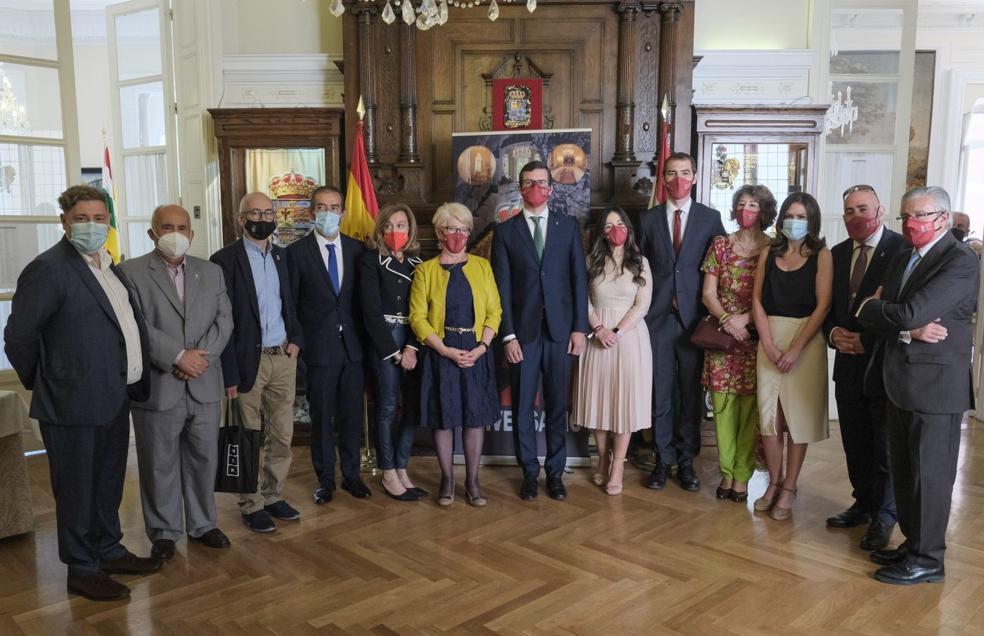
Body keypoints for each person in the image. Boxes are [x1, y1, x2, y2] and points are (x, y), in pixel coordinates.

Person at [3, 185, 159, 601]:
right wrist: (50, 380)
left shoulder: (109, 265)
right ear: (64, 222)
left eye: (99, 218)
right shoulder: (50, 268)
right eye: (82, 219)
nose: (92, 226)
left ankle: (108, 550)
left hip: (113, 397)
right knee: (76, 488)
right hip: (71, 404)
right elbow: (17, 337)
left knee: (108, 482)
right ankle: (82, 568)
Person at [857, 186, 978, 585]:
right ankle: (914, 544)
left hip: (936, 388)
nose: (911, 224)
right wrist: (904, 327)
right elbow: (899, 317)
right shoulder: (905, 255)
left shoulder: (959, 261)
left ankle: (929, 559)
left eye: (920, 217)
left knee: (930, 477)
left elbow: (907, 310)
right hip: (902, 380)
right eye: (906, 217)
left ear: (942, 219)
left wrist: (877, 309)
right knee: (907, 473)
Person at [119, 204, 233, 559]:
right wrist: (177, 356)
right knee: (158, 462)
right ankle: (164, 532)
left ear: (191, 233)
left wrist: (201, 359)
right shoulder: (130, 272)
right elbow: (135, 326)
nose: (175, 233)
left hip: (204, 383)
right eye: (167, 226)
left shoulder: (211, 271)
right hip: (159, 384)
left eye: (182, 227)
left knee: (204, 458)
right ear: (152, 233)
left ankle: (203, 524)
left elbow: (224, 321)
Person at [491, 160, 589, 501]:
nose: (537, 187)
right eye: (530, 182)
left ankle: (556, 473)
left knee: (557, 406)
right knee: (522, 407)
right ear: (521, 188)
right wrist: (508, 336)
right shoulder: (505, 232)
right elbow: (500, 289)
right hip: (523, 335)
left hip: (561, 332)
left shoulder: (568, 226)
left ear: (551, 188)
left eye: (542, 182)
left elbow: (579, 279)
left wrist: (580, 328)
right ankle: (529, 473)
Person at [212, 192, 303, 533]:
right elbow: (221, 320)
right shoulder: (224, 260)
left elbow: (292, 303)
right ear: (241, 218)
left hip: (282, 356)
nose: (262, 218)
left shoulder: (283, 256)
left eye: (268, 212)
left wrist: (296, 340)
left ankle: (274, 495)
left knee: (282, 434)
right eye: (255, 213)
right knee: (247, 436)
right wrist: (229, 372)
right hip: (246, 361)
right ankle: (251, 504)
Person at [822, 185, 906, 550]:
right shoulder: (837, 254)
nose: (857, 217)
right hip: (847, 365)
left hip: (883, 363)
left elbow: (903, 309)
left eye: (863, 209)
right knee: (854, 440)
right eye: (850, 212)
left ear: (881, 210)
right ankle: (863, 502)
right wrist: (833, 333)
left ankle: (885, 516)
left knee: (883, 442)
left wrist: (866, 340)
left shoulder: (902, 251)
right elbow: (825, 307)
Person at [637, 151, 726, 492]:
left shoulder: (710, 218)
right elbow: (639, 270)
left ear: (696, 176)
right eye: (671, 173)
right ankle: (663, 459)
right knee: (660, 393)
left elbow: (719, 267)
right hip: (657, 319)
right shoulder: (648, 221)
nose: (678, 180)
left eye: (685, 172)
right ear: (664, 178)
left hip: (695, 321)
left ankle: (687, 461)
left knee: (690, 394)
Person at [410, 203, 501, 506]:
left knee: (474, 419)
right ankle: (447, 479)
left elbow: (494, 312)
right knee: (444, 418)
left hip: (476, 349)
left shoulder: (482, 267)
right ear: (439, 231)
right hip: (441, 351)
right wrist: (445, 350)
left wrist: (483, 347)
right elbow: (418, 318)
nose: (458, 235)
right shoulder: (425, 271)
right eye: (452, 228)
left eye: (464, 229)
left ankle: (473, 481)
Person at [751, 192, 832, 520]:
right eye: (790, 215)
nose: (794, 222)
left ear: (811, 221)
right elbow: (756, 299)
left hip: (805, 342)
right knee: (771, 419)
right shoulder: (768, 251)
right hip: (770, 337)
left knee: (797, 418)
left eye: (801, 217)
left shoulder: (822, 255)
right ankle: (773, 481)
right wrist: (768, 343)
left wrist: (796, 347)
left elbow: (823, 304)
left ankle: (790, 487)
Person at [288, 185, 370, 503]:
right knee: (321, 418)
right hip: (318, 349)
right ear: (311, 213)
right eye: (321, 208)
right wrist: (298, 341)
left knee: (351, 415)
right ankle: (325, 479)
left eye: (334, 207)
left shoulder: (357, 250)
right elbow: (291, 304)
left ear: (343, 213)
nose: (328, 213)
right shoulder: (295, 253)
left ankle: (352, 476)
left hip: (353, 348)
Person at [700, 185, 775, 504]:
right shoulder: (720, 245)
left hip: (757, 339)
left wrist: (746, 320)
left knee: (749, 412)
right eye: (741, 204)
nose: (747, 210)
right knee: (722, 409)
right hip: (722, 340)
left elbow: (776, 295)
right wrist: (728, 320)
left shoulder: (774, 248)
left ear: (765, 211)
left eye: (754, 205)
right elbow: (708, 293)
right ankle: (727, 473)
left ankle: (742, 477)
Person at [573, 207, 652, 496]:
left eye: (620, 223)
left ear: (628, 229)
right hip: (597, 338)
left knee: (624, 405)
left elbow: (642, 305)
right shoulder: (591, 260)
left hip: (629, 339)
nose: (615, 229)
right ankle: (602, 459)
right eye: (609, 225)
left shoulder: (640, 262)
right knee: (600, 403)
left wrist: (616, 331)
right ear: (602, 232)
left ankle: (618, 465)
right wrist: (598, 329)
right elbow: (583, 300)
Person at [360, 203, 426, 501]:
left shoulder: (419, 264)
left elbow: (423, 310)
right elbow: (370, 312)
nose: (395, 231)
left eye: (401, 225)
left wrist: (411, 346)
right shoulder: (370, 261)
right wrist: (394, 352)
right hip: (384, 339)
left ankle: (401, 466)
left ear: (410, 229)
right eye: (389, 226)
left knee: (412, 407)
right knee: (387, 407)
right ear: (380, 229)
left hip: (413, 339)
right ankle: (387, 471)